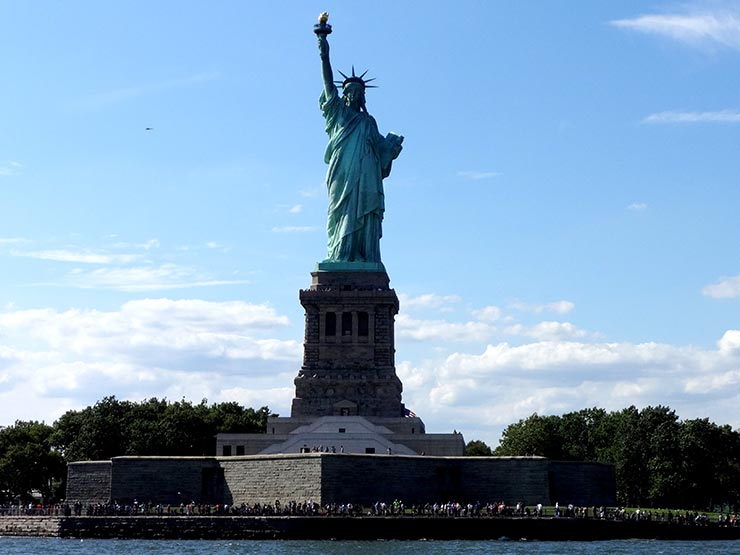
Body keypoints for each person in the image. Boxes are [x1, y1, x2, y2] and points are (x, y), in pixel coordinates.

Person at [317, 20, 403, 264]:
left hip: (366, 175)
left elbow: (382, 152)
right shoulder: (338, 114)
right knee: (340, 211)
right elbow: (327, 80)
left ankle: (364, 257)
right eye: (351, 90)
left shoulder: (369, 122)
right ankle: (340, 255)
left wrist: (392, 147)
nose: (355, 94)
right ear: (344, 95)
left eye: (359, 91)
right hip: (343, 174)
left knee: (366, 214)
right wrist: (323, 46)